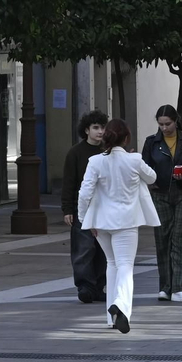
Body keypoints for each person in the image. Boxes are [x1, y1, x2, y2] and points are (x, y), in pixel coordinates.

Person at [78, 118, 159, 334]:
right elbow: (152, 178)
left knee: (111, 263)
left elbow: (85, 192)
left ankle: (110, 317)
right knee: (125, 265)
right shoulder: (134, 160)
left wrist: (84, 219)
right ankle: (121, 306)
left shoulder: (95, 161)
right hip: (126, 221)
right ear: (126, 138)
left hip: (101, 222)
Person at [142, 105, 182, 303]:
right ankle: (165, 287)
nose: (164, 128)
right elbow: (145, 168)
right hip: (160, 194)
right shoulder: (152, 143)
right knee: (163, 239)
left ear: (176, 122)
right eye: (160, 124)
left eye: (168, 124)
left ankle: (181, 287)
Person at [62, 110, 110, 303]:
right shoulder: (76, 153)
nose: (100, 132)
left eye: (103, 127)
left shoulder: (107, 151)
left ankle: (98, 286)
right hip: (83, 208)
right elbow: (69, 182)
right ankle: (85, 286)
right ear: (87, 130)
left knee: (102, 250)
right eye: (96, 128)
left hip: (105, 208)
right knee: (83, 248)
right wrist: (67, 209)